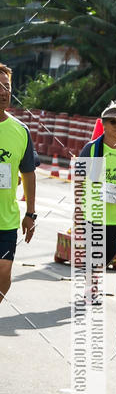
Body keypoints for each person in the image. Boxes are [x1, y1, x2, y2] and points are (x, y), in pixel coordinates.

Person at [78, 101, 116, 268]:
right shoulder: (91, 149)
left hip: (114, 216)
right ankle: (90, 292)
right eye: (113, 122)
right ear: (103, 123)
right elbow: (79, 179)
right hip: (92, 214)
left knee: (108, 255)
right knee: (93, 258)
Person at [0, 63, 36, 304]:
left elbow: (29, 173)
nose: (4, 91)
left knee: (3, 271)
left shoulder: (20, 131)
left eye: (7, 86)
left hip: (6, 218)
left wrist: (31, 213)